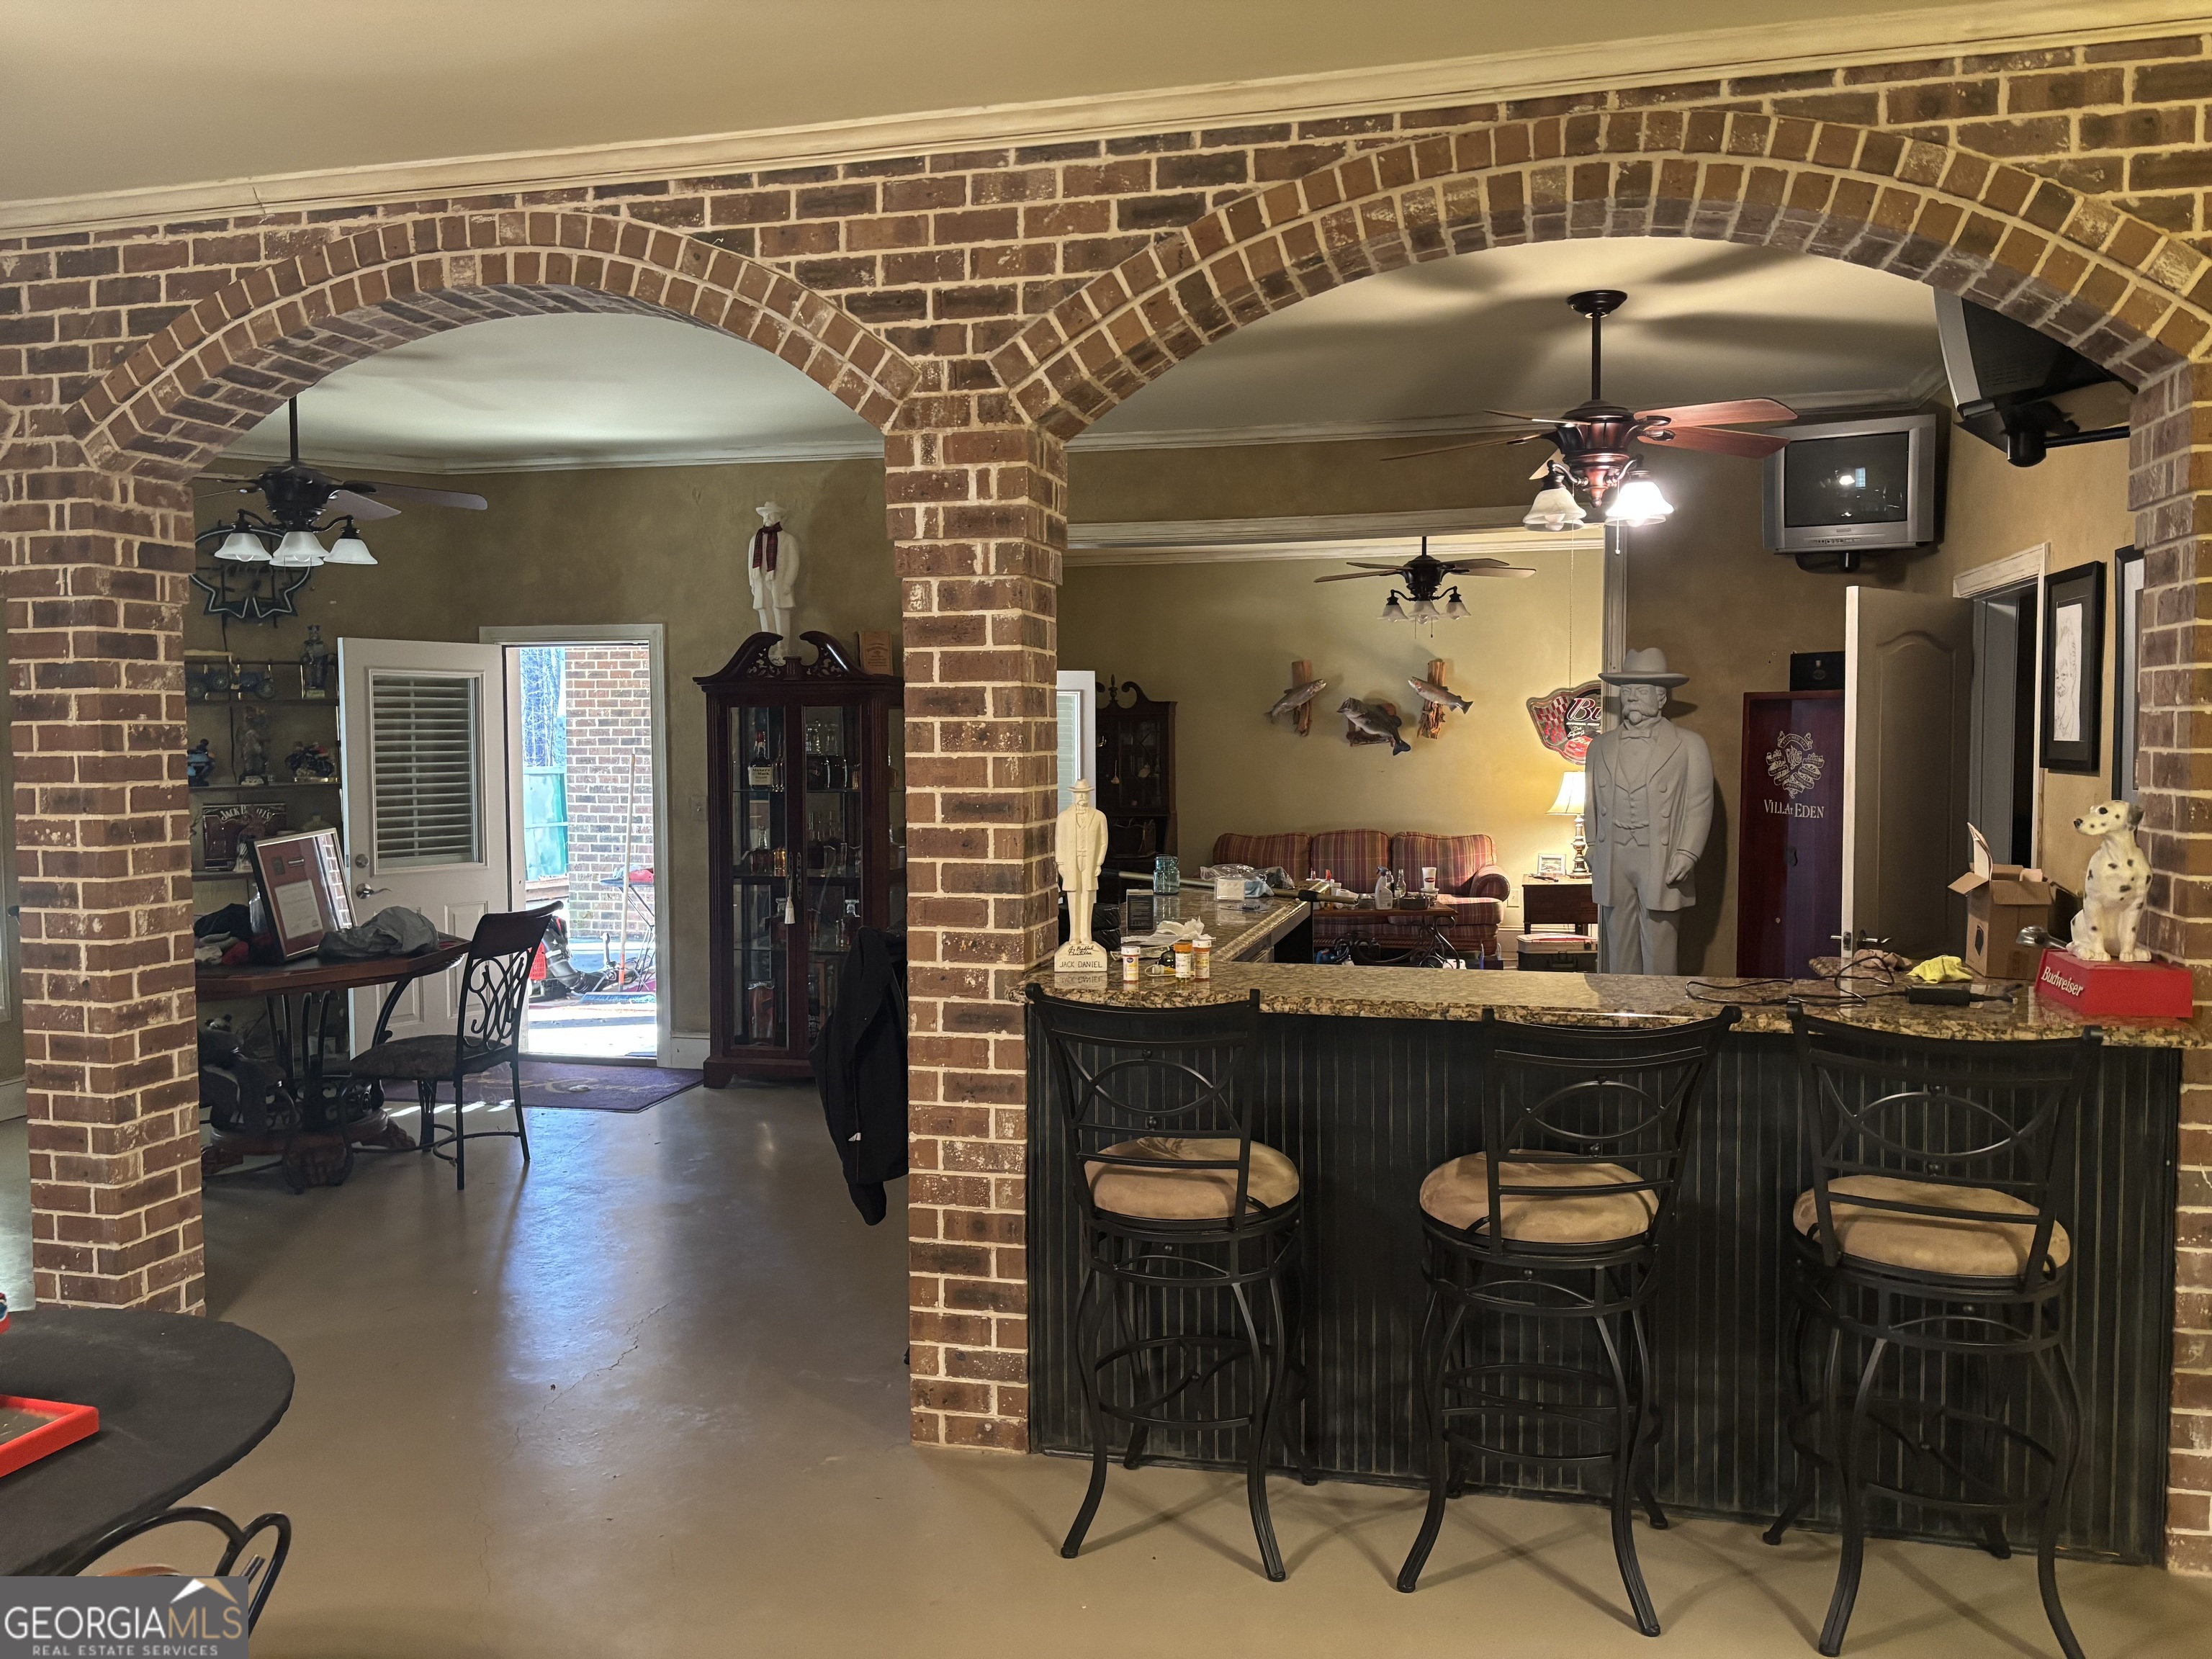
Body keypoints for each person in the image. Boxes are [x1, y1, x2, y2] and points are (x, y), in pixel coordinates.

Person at [1585, 648, 1713, 976]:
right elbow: (1591, 804)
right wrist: (1594, 848)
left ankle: (1659, 1020)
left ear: (1661, 698)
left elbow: (1699, 802)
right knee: (1618, 945)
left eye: (1641, 692)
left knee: (1659, 946)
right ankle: (1623, 1019)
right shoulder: (1599, 747)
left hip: (1662, 854)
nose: (1632, 699)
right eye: (1627, 692)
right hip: (1615, 855)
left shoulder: (1689, 745)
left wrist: (1688, 853)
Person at [1053, 778, 1110, 971]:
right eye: (1079, 795)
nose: (1082, 798)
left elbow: (1103, 842)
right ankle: (1074, 937)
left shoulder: (1099, 816)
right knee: (1073, 898)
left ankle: (1086, 936)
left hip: (1089, 862)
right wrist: (1060, 863)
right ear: (1074, 796)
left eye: (1085, 794)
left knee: (1088, 898)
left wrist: (1098, 863)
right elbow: (1059, 841)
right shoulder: (1064, 817)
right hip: (1071, 862)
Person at [747, 500, 799, 660]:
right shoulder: (755, 539)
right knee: (765, 612)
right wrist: (752, 583)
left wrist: (788, 583)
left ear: (778, 517)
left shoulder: (788, 539)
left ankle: (783, 648)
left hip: (779, 583)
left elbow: (794, 562)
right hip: (761, 582)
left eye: (770, 514)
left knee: (780, 613)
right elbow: (750, 562)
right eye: (765, 515)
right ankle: (768, 648)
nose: (767, 517)